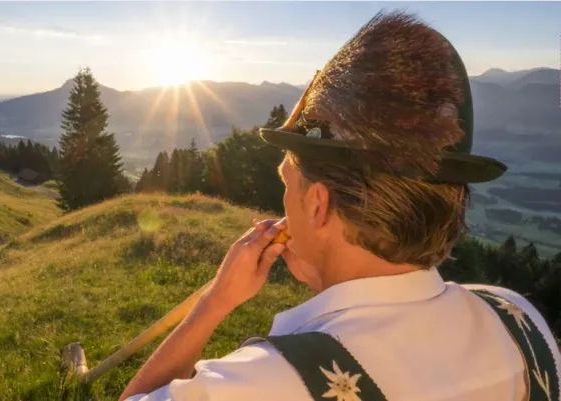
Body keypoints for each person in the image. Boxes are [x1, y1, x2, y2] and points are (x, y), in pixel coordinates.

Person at [119, 10, 561, 401]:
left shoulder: (264, 382)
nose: (284, 205)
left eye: (287, 184)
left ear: (317, 204)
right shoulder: (518, 320)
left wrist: (215, 302)